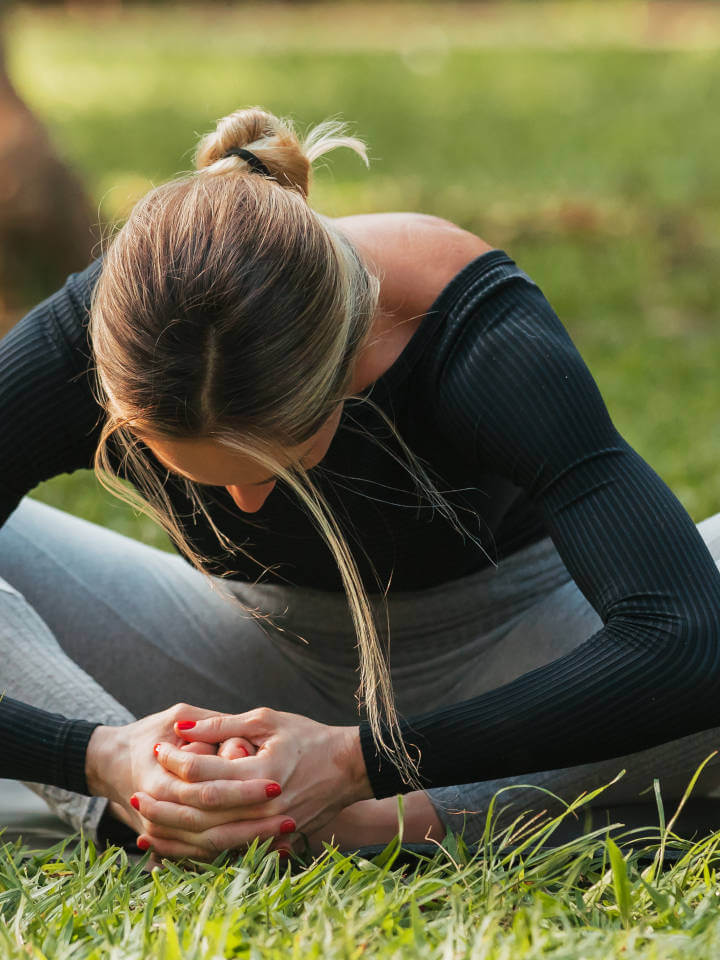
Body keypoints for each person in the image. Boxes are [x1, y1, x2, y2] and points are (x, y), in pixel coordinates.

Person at [1, 105, 720, 863]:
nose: (247, 503)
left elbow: (683, 638)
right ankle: (167, 814)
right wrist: (96, 754)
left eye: (282, 463)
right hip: (246, 662)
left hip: (529, 667)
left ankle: (391, 823)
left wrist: (357, 765)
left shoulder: (463, 323)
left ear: (351, 359)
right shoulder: (112, 330)